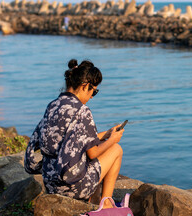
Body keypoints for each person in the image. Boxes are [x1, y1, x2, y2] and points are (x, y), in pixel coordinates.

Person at [24, 59, 123, 208]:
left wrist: (106, 134)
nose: (91, 96)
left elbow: (68, 140)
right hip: (73, 187)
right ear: (85, 86)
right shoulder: (82, 111)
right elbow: (93, 153)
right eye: (93, 91)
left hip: (50, 184)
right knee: (116, 149)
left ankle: (96, 201)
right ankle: (107, 203)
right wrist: (112, 140)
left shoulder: (53, 105)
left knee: (101, 147)